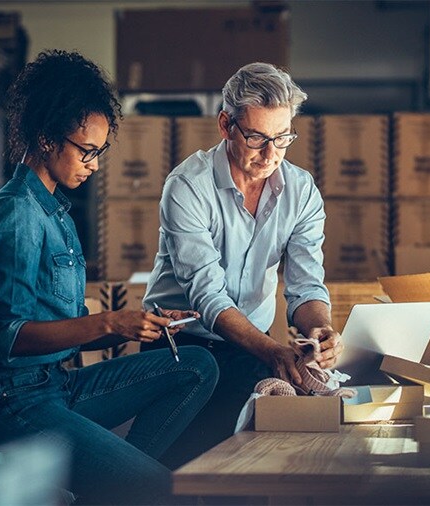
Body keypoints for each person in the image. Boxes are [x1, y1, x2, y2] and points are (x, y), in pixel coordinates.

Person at [0, 50, 218, 505]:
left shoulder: (56, 211)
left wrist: (142, 321)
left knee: (196, 365)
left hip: (56, 386)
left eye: (100, 152)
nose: (94, 164)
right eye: (86, 151)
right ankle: (128, 486)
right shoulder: (18, 213)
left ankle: (117, 485)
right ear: (45, 138)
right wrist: (110, 323)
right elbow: (8, 337)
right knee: (164, 490)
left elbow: (69, 332)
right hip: (12, 404)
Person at [142, 62, 345, 469]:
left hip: (251, 345)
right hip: (179, 345)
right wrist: (271, 350)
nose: (270, 155)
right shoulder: (187, 186)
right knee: (177, 470)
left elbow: (305, 287)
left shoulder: (301, 192)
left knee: (249, 462)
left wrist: (320, 328)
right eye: (256, 138)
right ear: (225, 125)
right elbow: (209, 296)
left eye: (283, 138)